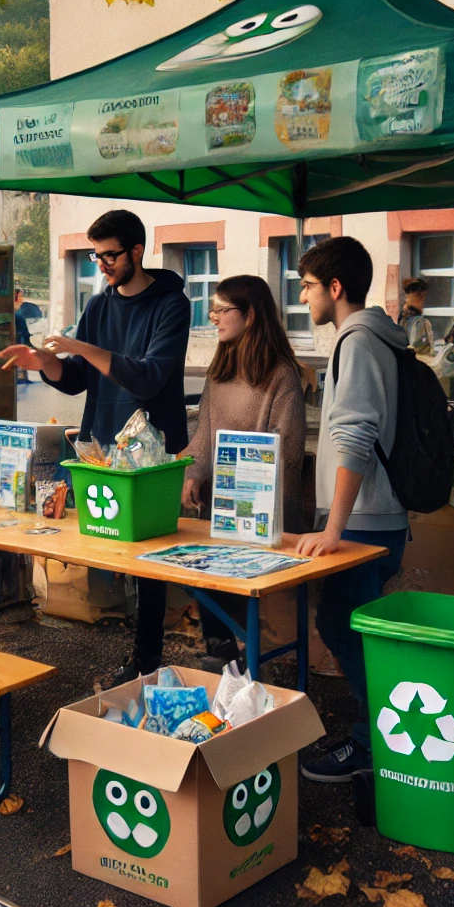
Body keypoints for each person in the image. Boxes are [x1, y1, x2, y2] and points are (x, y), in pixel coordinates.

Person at [0, 209, 191, 682]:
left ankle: (149, 657)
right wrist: (43, 362)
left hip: (152, 451)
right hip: (103, 446)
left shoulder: (171, 305)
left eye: (109, 256)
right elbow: (77, 378)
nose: (101, 265)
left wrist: (80, 348)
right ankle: (135, 643)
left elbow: (147, 376)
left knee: (150, 558)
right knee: (111, 548)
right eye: (95, 255)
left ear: (137, 252)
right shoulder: (100, 305)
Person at [292, 236, 411, 783]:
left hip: (362, 520)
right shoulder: (377, 338)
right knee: (349, 626)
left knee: (341, 625)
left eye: (310, 286)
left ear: (335, 288)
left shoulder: (358, 342)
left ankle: (373, 747)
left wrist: (333, 527)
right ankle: (380, 741)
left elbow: (355, 436)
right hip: (375, 517)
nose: (304, 296)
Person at [178, 275, 307, 670]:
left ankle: (243, 667)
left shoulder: (281, 375)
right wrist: (194, 472)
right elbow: (205, 431)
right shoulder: (220, 369)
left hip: (262, 512)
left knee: (237, 592)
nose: (214, 318)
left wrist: (248, 483)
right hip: (219, 507)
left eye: (222, 309)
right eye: (212, 309)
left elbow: (287, 451)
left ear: (250, 315)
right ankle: (223, 658)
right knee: (205, 581)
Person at [12, 287, 43, 384]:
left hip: (22, 336)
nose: (20, 296)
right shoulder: (18, 309)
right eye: (19, 294)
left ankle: (23, 375)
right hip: (19, 336)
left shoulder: (23, 308)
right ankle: (21, 376)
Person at [399, 278, 435, 356]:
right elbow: (414, 347)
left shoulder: (408, 318)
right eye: (421, 297)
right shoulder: (418, 321)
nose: (423, 301)